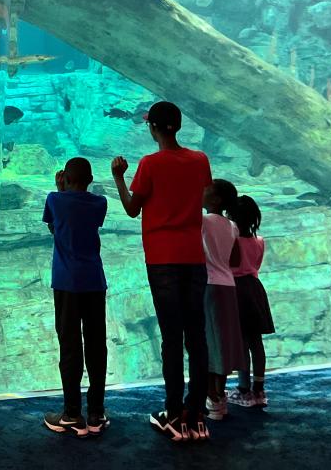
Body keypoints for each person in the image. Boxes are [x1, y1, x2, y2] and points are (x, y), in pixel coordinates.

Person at [110, 101, 212, 441]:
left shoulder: (150, 164)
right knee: (197, 336)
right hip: (194, 258)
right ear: (178, 126)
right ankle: (196, 414)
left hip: (163, 260)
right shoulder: (200, 160)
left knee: (172, 336)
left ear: (152, 127)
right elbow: (201, 196)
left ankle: (172, 413)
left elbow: (131, 209)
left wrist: (118, 178)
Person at [42, 158, 110, 437]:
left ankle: (72, 413)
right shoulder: (100, 203)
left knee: (70, 346)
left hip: (67, 283)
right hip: (94, 280)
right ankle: (96, 413)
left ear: (65, 179)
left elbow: (54, 228)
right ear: (91, 178)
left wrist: (59, 189)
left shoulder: (55, 199)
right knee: (96, 346)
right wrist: (67, 188)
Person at [202, 179, 246, 421]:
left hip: (208, 285)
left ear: (216, 199)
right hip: (228, 285)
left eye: (205, 189)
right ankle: (220, 394)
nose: (201, 191)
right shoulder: (231, 226)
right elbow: (236, 260)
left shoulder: (202, 222)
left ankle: (213, 399)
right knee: (224, 340)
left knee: (209, 341)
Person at [227, 195, 275, 409]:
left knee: (243, 343)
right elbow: (255, 265)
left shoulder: (233, 240)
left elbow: (232, 266)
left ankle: (244, 390)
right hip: (255, 289)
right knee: (256, 342)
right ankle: (259, 389)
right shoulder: (259, 241)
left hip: (237, 290)